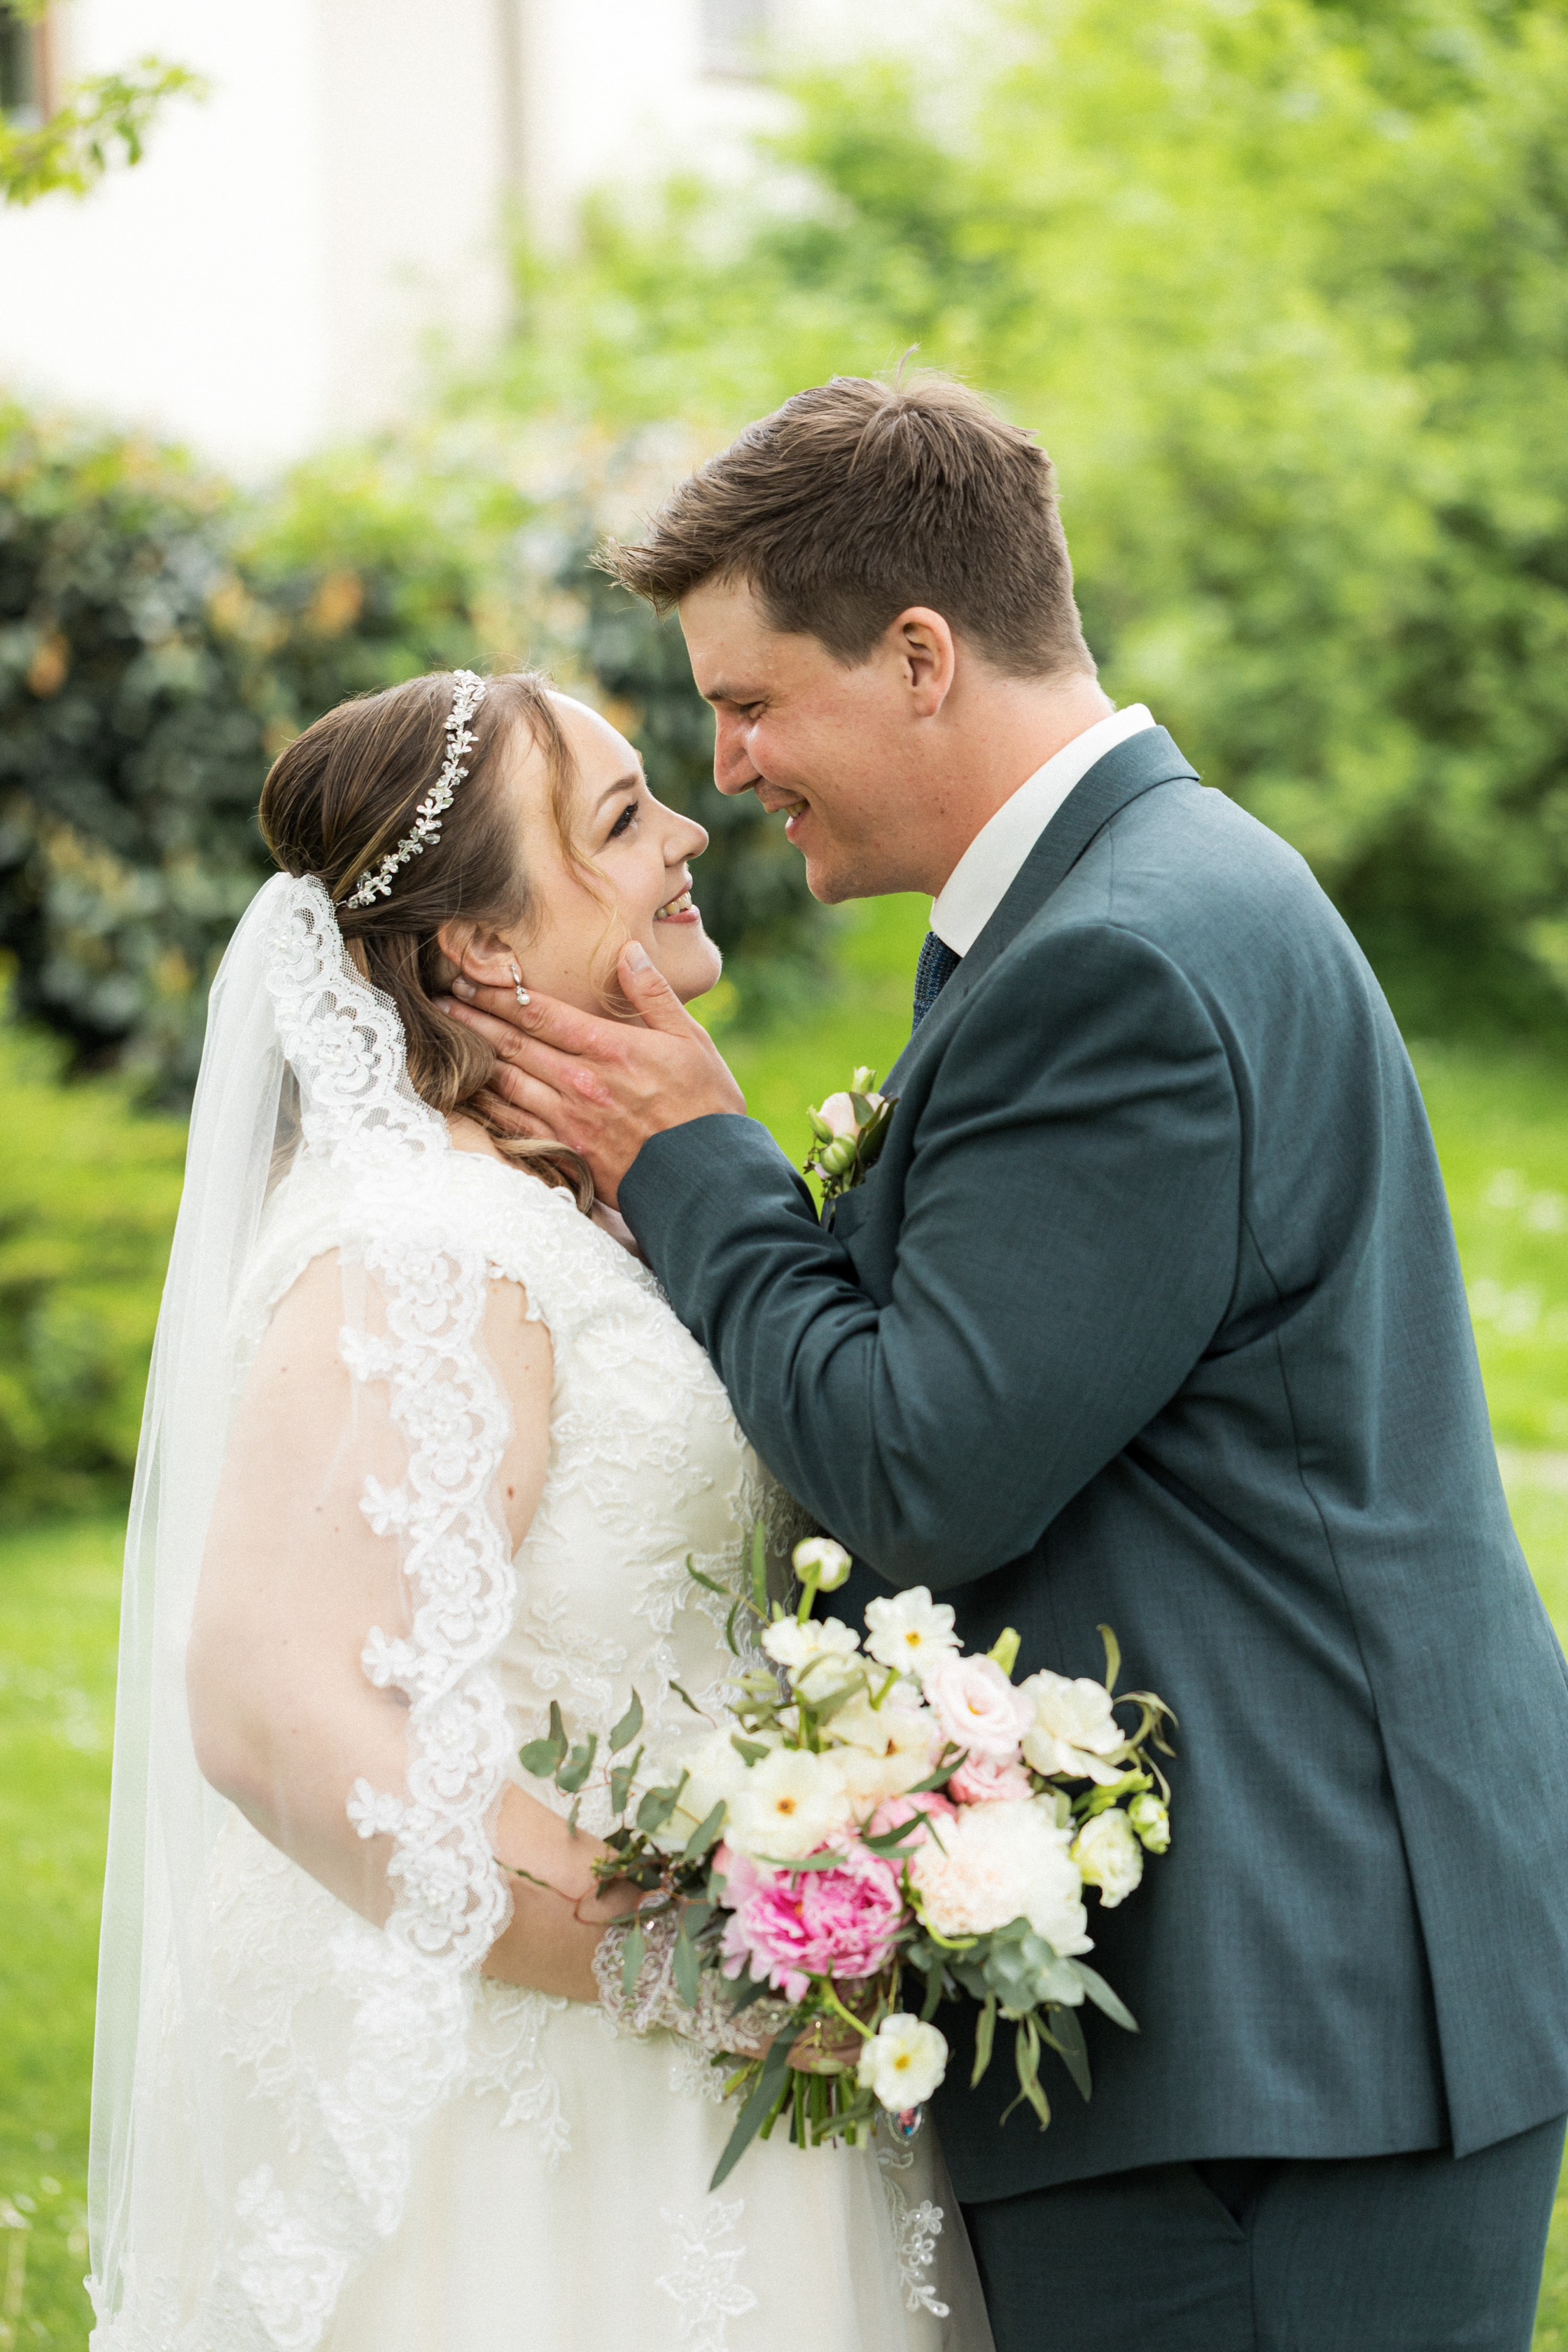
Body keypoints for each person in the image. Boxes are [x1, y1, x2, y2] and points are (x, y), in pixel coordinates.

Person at [440, 374, 1568, 2352]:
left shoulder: (1117, 959)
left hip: (1278, 2037)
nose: (731, 767)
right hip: (1308, 2003)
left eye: (753, 697)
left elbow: (920, 1463)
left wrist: (690, 1160)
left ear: (924, 654)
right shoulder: (1130, 902)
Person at [85, 667, 992, 2352]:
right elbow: (271, 1709)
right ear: (484, 953)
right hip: (550, 2096)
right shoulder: (421, 1243)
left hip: (716, 2047)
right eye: (623, 819)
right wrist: (694, 1965)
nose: (689, 831)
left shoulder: (564, 1214)